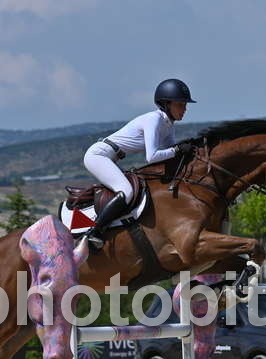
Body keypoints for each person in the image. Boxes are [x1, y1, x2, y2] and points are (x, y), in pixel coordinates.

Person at [83, 78, 197, 249]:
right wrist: (177, 150)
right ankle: (94, 232)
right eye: (180, 104)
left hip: (110, 157)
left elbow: (172, 153)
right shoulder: (154, 120)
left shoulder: (168, 125)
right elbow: (152, 157)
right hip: (98, 155)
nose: (185, 109)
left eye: (185, 105)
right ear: (167, 104)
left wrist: (188, 149)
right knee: (126, 191)